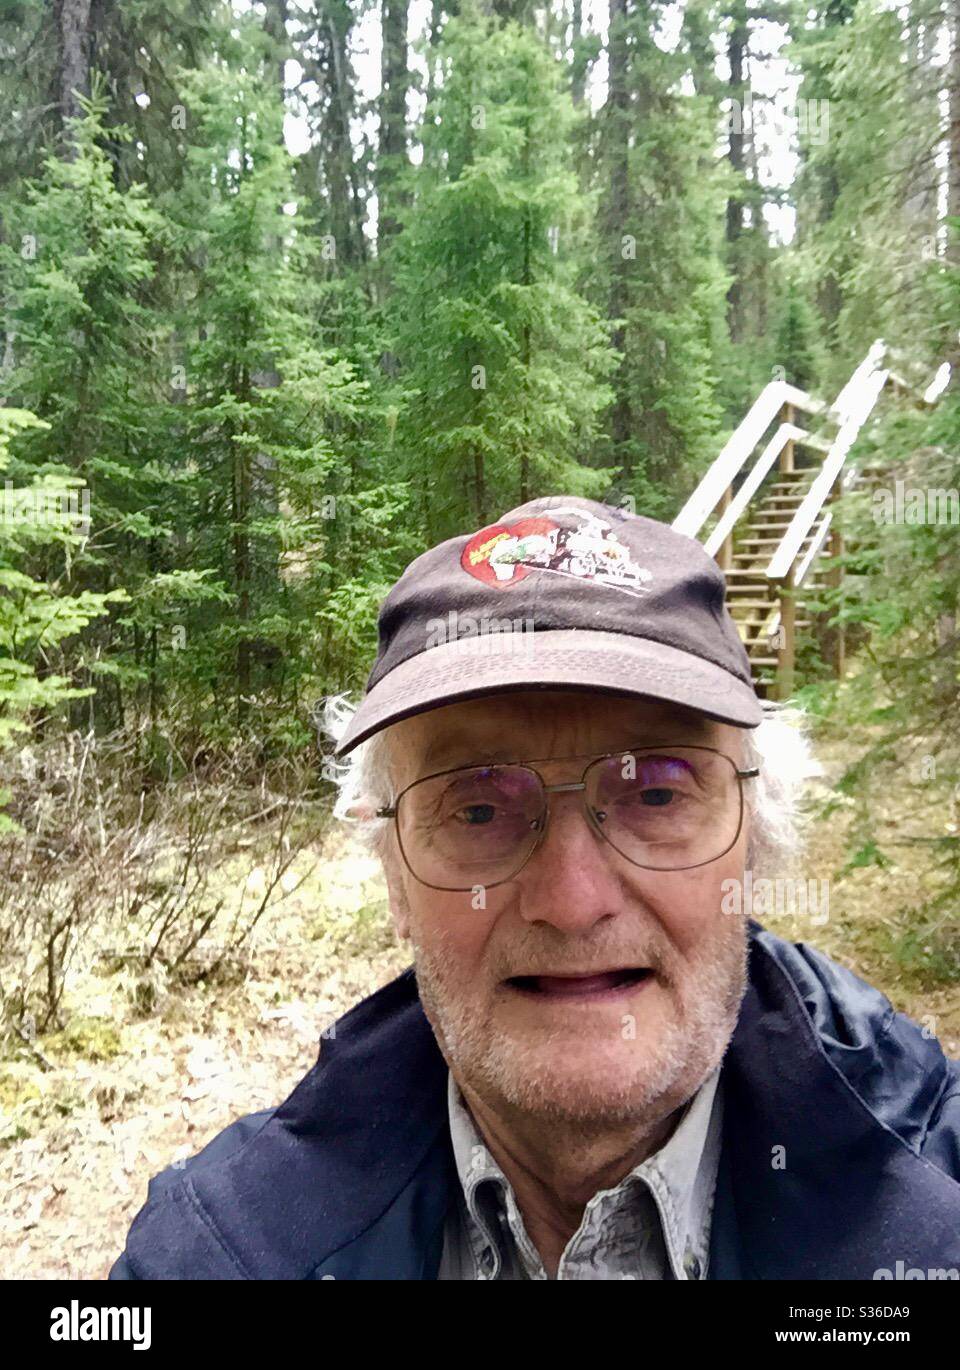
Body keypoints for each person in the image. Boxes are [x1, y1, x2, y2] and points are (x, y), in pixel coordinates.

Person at [111, 495, 960, 1280]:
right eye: (479, 809)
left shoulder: (936, 1203)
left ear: (754, 844)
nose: (572, 901)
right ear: (393, 872)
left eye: (656, 793)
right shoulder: (219, 1255)